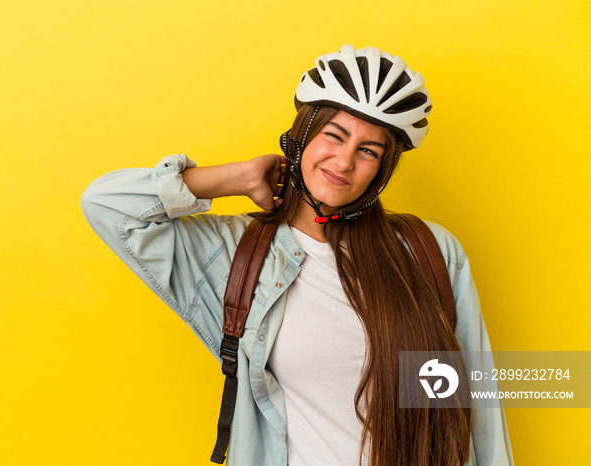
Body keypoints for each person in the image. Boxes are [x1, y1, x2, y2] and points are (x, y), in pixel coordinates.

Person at [81, 45, 514, 466]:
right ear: (303, 135)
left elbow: (478, 410)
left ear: (381, 171)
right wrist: (239, 176)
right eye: (334, 135)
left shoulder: (428, 252)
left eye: (368, 151)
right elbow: (108, 205)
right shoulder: (236, 255)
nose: (344, 162)